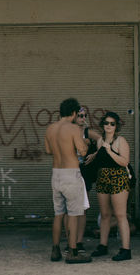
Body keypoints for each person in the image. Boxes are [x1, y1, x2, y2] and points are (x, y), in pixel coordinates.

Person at [45, 98, 91, 264]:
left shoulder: (50, 128)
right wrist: (85, 142)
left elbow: (48, 150)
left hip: (56, 173)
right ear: (73, 113)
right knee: (73, 214)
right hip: (71, 174)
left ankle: (55, 250)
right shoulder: (73, 128)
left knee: (58, 214)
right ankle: (73, 252)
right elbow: (83, 151)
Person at [90, 112, 132, 261]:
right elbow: (101, 156)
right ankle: (103, 245)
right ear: (103, 124)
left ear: (116, 126)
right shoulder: (100, 140)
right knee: (105, 214)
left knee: (120, 215)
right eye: (106, 123)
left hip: (118, 178)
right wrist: (95, 154)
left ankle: (126, 249)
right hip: (103, 178)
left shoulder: (121, 141)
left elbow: (124, 162)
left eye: (112, 123)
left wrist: (109, 150)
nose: (109, 126)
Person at [63, 107, 100, 253]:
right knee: (68, 209)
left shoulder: (87, 132)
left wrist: (95, 154)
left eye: (84, 116)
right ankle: (69, 241)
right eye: (79, 116)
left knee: (82, 209)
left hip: (83, 172)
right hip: (68, 171)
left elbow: (104, 142)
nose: (82, 118)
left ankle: (79, 241)